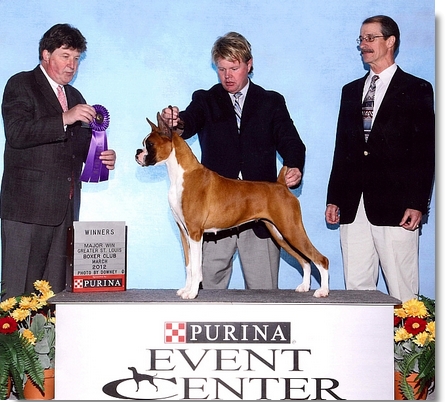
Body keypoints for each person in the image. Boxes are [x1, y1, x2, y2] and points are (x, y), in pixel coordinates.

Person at [161, 31, 306, 290]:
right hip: (215, 214)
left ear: (249, 65)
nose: (227, 76)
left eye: (234, 68)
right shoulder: (205, 100)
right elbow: (187, 122)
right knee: (207, 296)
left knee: (265, 296)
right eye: (221, 69)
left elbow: (291, 141)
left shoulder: (271, 101)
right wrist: (175, 121)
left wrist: (294, 164)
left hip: (261, 214)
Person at [0, 23, 116, 300]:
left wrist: (101, 156)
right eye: (65, 56)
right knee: (17, 294)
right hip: (26, 209)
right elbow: (17, 132)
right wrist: (65, 118)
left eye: (76, 58)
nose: (72, 65)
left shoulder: (74, 97)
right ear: (46, 55)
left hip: (65, 209)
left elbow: (80, 146)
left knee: (56, 295)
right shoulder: (21, 84)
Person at [325, 15, 435, 302]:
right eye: (361, 39)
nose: (364, 44)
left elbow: (425, 152)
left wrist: (417, 203)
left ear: (390, 41)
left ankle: (409, 335)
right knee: (356, 292)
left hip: (397, 207)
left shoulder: (417, 89)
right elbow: (342, 149)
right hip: (353, 206)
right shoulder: (350, 91)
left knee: (403, 292)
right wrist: (334, 198)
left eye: (370, 38)